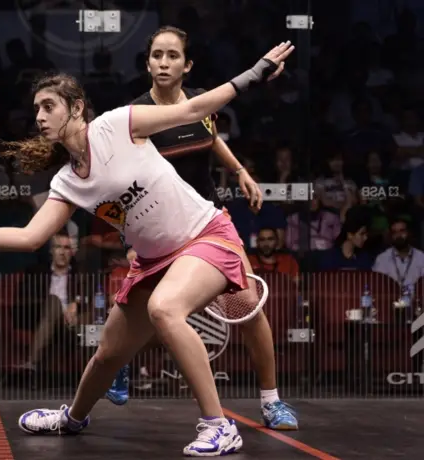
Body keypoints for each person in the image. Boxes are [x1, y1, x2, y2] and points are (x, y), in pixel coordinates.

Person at [0, 40, 293, 456]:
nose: (39, 116)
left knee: (165, 309)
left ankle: (218, 425)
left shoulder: (118, 124)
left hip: (205, 236)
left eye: (48, 105)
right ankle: (72, 418)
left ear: (76, 108)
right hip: (153, 261)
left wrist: (254, 72)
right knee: (108, 356)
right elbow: (30, 237)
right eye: (36, 109)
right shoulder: (67, 181)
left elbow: (195, 111)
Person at [104, 26, 298, 431]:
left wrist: (239, 170)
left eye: (172, 56)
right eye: (156, 55)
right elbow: (118, 185)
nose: (163, 62)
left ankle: (271, 400)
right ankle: (117, 362)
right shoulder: (135, 117)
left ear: (186, 65)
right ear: (147, 63)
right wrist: (131, 237)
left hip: (209, 222)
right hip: (161, 233)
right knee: (149, 314)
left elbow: (210, 134)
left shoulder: (199, 104)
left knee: (248, 307)